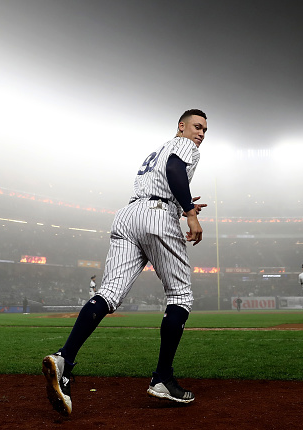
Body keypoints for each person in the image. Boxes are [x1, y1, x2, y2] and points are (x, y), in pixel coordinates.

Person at [42, 109, 208, 416]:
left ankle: (65, 357)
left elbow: (165, 176)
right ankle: (162, 379)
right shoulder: (184, 146)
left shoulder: (158, 149)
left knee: (108, 294)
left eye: (204, 131)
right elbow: (174, 170)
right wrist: (190, 212)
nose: (201, 134)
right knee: (180, 296)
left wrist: (179, 202)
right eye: (197, 127)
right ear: (181, 126)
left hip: (128, 215)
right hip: (157, 217)